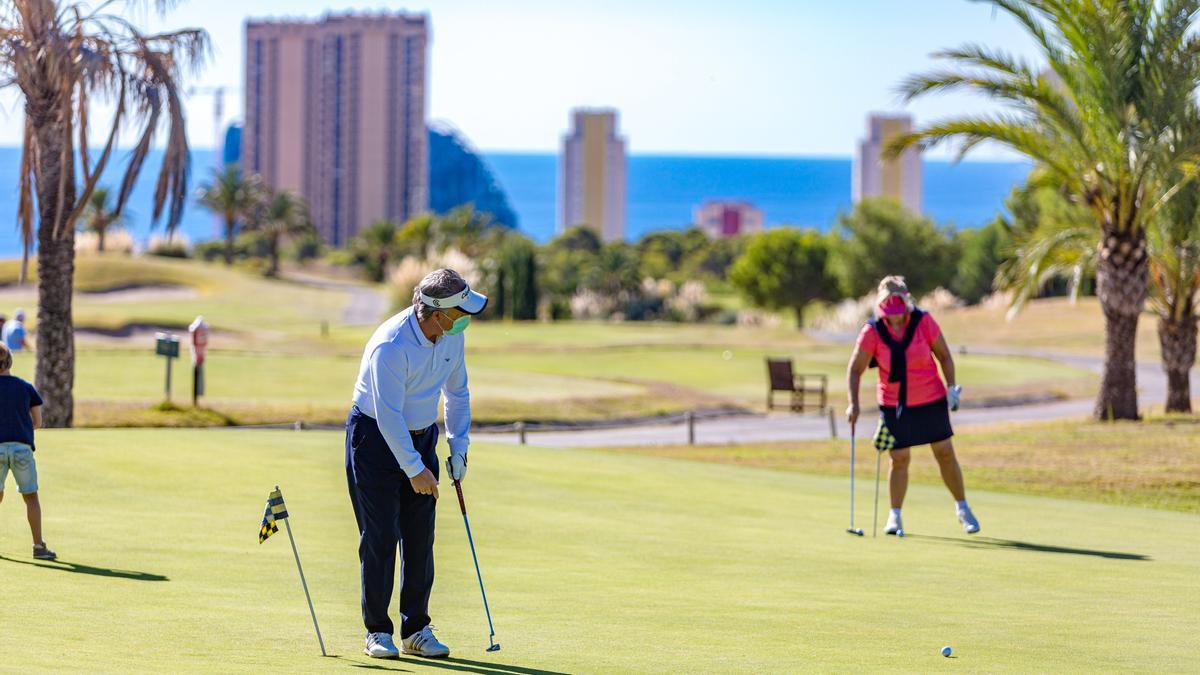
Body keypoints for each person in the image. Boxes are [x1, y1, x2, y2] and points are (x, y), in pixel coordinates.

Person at [346, 268, 488, 660]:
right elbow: (389, 417)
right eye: (461, 312)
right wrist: (415, 469)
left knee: (420, 535)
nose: (466, 320)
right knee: (380, 538)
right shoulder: (391, 347)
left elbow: (457, 394)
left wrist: (459, 448)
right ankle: (377, 631)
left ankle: (416, 629)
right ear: (437, 312)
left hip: (422, 434)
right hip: (374, 438)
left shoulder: (450, 337)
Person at [845, 276, 980, 535]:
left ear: (906, 298)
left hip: (931, 398)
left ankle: (962, 508)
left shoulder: (923, 322)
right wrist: (854, 404)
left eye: (898, 297)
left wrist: (952, 388)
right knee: (899, 458)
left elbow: (944, 355)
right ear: (881, 301)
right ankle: (895, 517)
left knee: (944, 452)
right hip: (894, 403)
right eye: (889, 298)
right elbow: (855, 369)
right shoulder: (872, 331)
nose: (894, 302)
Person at [0, 343, 55, 560]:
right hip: (22, 449)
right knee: (30, 496)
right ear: (10, 362)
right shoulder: (25, 387)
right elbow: (38, 422)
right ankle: (38, 546)